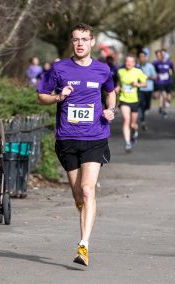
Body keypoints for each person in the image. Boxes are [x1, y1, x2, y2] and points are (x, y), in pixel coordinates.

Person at [38, 23, 116, 267]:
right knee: (78, 195)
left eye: (84, 39)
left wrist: (110, 109)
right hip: (67, 138)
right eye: (76, 39)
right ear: (72, 42)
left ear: (92, 41)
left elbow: (111, 92)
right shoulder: (59, 68)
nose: (80, 43)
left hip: (95, 137)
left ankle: (84, 246)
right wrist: (59, 96)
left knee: (87, 189)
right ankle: (84, 209)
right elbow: (42, 96)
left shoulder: (103, 69)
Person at [116, 55, 147, 152]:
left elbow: (145, 84)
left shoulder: (138, 72)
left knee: (133, 124)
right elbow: (119, 83)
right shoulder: (120, 71)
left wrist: (137, 84)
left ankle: (135, 131)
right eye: (127, 61)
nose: (128, 63)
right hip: (124, 99)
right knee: (126, 120)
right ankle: (127, 143)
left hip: (134, 100)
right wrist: (117, 88)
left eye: (131, 61)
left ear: (134, 63)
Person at [138, 50, 157, 131]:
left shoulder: (150, 66)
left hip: (149, 89)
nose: (141, 58)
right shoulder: (137, 66)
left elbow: (155, 77)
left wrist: (147, 77)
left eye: (143, 56)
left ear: (146, 57)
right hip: (140, 89)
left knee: (147, 105)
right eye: (140, 57)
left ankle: (145, 111)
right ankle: (142, 120)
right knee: (141, 104)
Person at [153, 48, 174, 118]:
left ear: (166, 54)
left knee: (168, 98)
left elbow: (172, 71)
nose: (162, 55)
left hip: (169, 81)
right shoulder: (157, 63)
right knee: (163, 95)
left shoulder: (169, 63)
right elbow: (155, 72)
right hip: (161, 82)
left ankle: (166, 104)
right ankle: (164, 110)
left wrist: (170, 74)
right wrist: (157, 76)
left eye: (164, 54)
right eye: (161, 54)